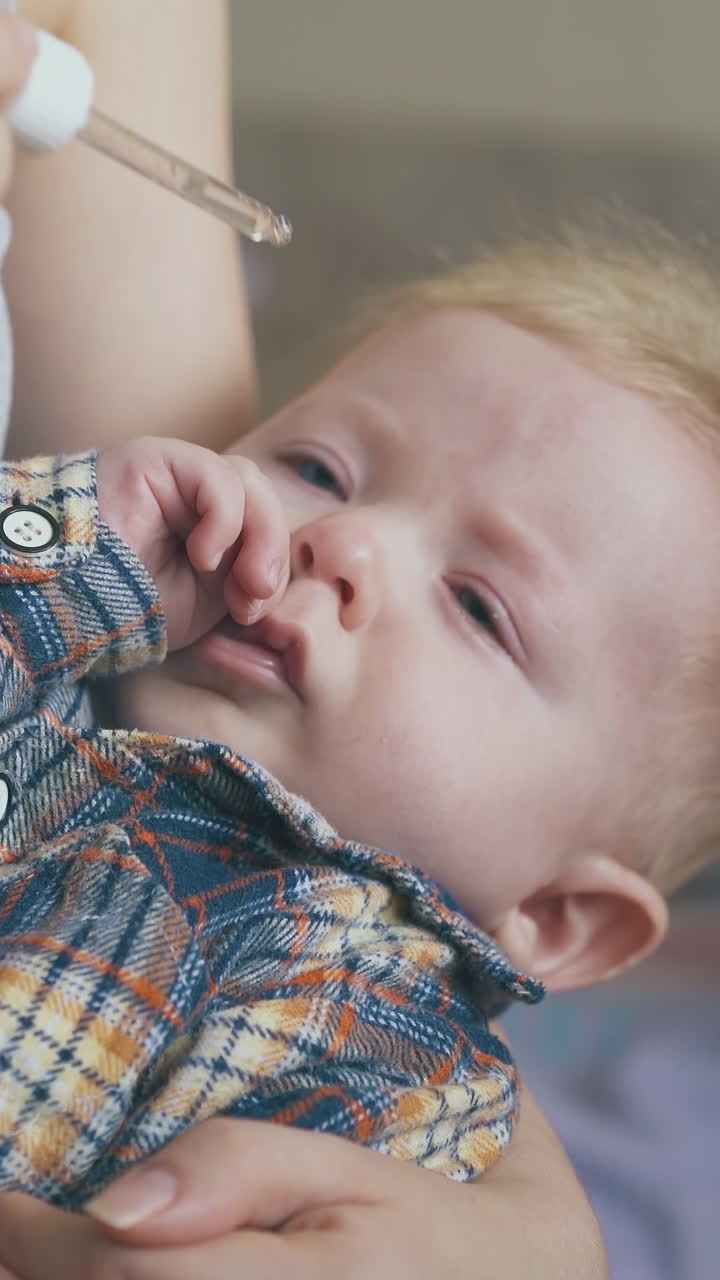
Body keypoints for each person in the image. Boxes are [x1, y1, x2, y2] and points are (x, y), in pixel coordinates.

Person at [0, 3, 610, 1277]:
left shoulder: (391, 1059)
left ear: (559, 913)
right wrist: (81, 547)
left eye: (482, 605)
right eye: (318, 467)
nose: (345, 541)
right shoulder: (51, 725)